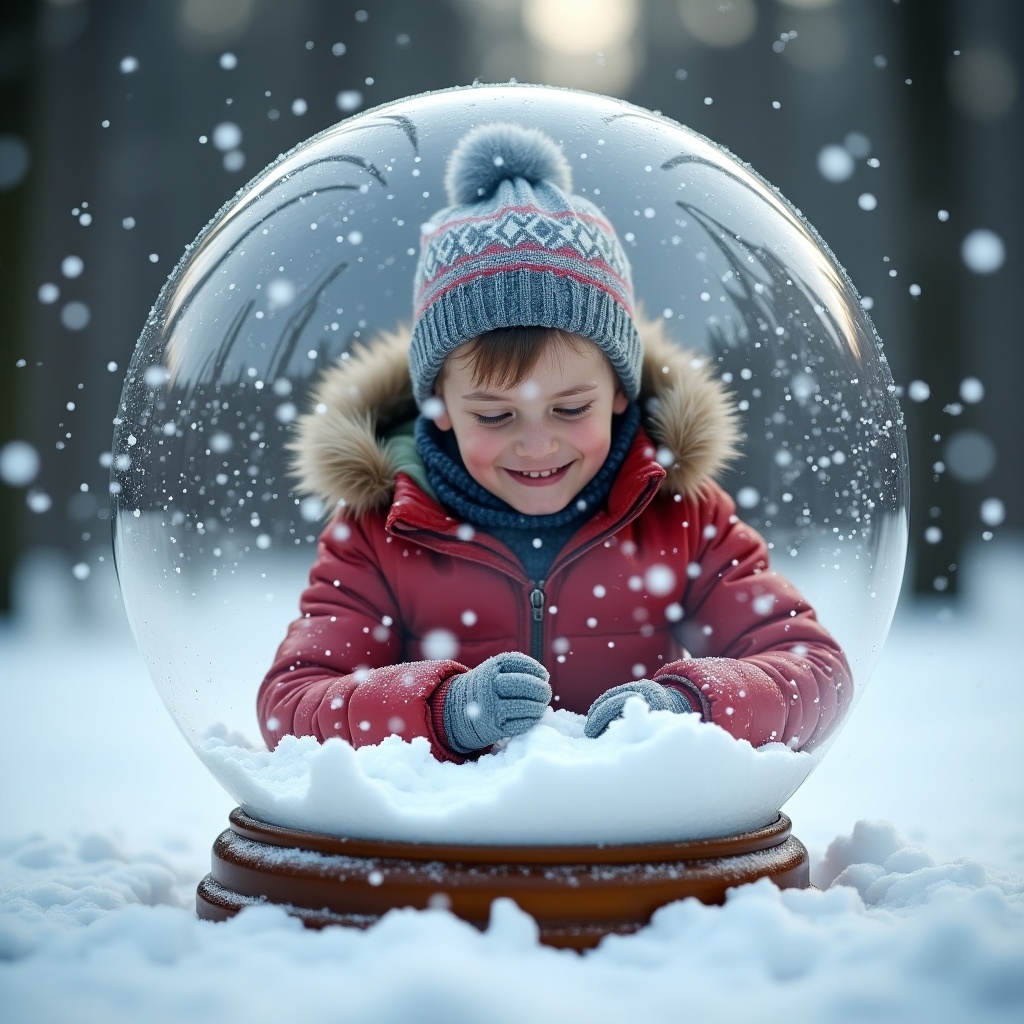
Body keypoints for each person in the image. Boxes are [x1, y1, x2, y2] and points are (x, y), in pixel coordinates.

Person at [258, 122, 851, 761]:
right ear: (441, 409)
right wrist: (442, 711)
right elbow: (292, 705)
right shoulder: (382, 533)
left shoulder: (682, 519)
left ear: (622, 389)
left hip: (631, 842)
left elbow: (814, 670)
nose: (537, 446)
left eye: (571, 408)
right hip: (449, 847)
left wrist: (687, 706)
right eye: (494, 416)